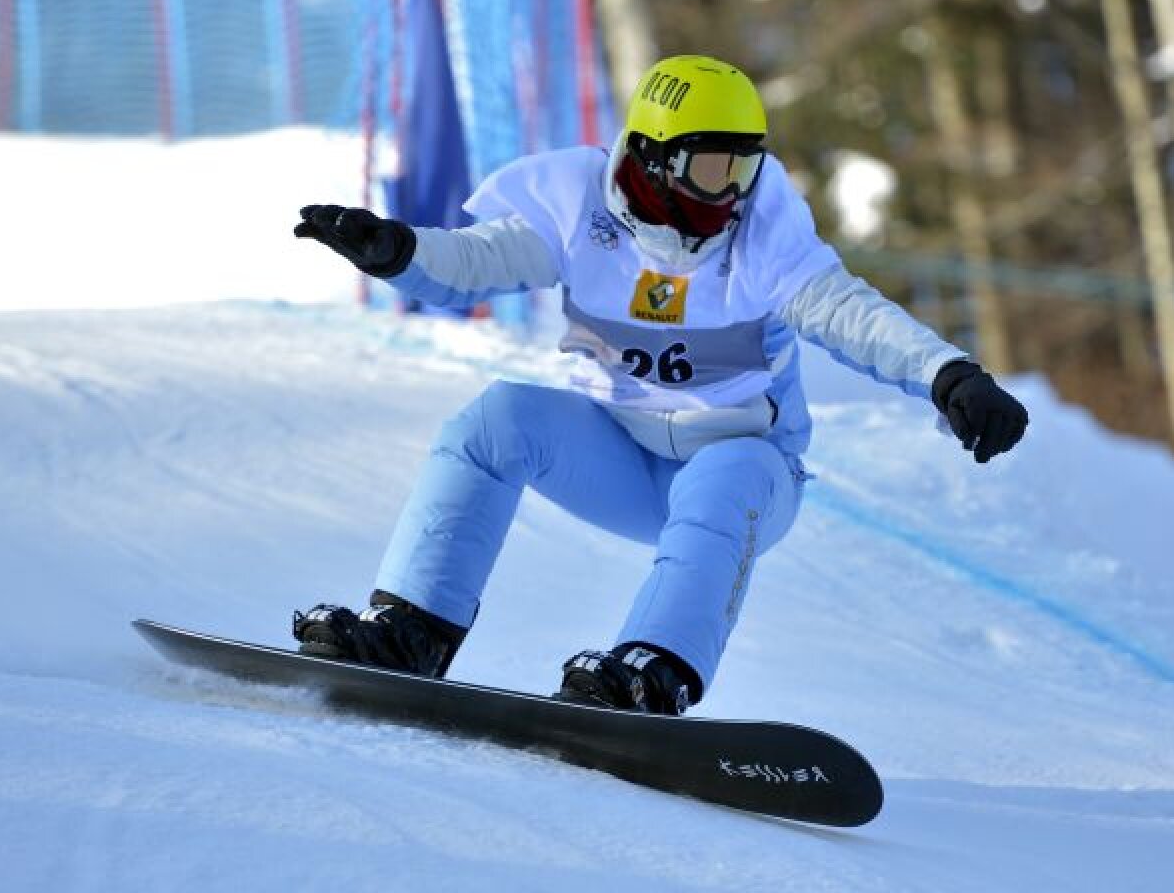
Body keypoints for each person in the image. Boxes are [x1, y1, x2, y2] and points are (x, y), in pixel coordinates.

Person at [290, 54, 1028, 715]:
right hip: (620, 456)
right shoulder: (578, 204)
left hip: (742, 475)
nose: (733, 191)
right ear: (653, 159)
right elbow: (478, 260)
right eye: (714, 168)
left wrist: (948, 373)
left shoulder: (763, 229)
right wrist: (399, 250)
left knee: (728, 474)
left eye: (744, 167)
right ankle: (411, 629)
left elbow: (849, 312)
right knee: (495, 421)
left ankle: (654, 670)